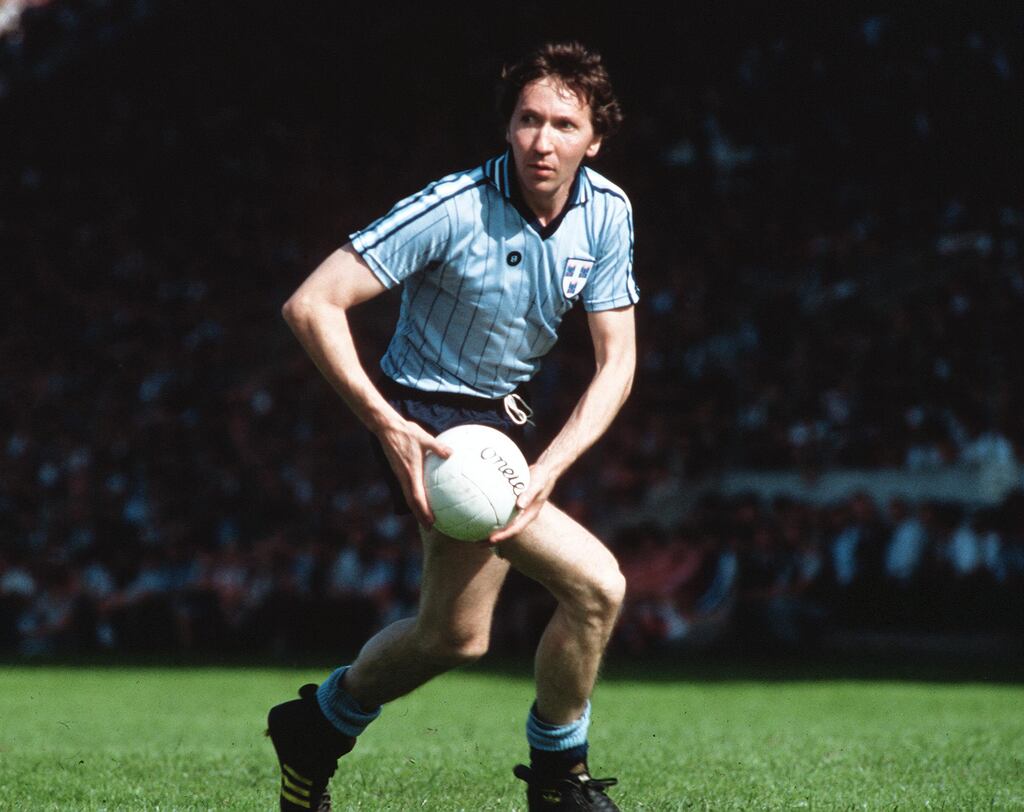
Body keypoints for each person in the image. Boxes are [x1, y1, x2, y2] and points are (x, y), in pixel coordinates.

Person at [267, 41, 638, 812]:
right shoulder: (454, 204)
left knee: (455, 639)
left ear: (594, 138)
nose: (542, 139)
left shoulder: (607, 213)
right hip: (432, 426)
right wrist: (385, 422)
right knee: (597, 585)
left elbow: (617, 364)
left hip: (503, 427)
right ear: (507, 126)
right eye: (528, 119)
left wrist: (552, 468)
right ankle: (558, 780)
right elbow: (312, 303)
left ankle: (316, 726)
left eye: (564, 124)